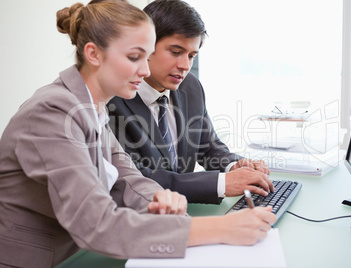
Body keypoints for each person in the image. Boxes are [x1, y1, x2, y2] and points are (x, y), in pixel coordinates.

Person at [0, 1, 276, 267]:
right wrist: (220, 228)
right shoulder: (53, 112)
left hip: (80, 252)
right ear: (94, 54)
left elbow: (128, 178)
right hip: (43, 260)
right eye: (134, 57)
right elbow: (97, 225)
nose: (144, 70)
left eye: (146, 57)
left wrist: (158, 199)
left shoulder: (91, 106)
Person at [108, 0, 274, 204]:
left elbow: (209, 147)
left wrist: (234, 166)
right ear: (144, 46)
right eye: (176, 52)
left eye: (192, 55)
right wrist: (221, 183)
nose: (185, 66)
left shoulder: (190, 86)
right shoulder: (112, 100)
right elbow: (139, 180)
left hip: (182, 213)